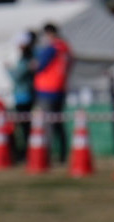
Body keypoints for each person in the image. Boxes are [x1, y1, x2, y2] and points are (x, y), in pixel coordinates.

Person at [33, 22, 72, 163]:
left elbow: (39, 65)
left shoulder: (51, 48)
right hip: (61, 89)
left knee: (47, 125)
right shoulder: (66, 48)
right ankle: (63, 155)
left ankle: (46, 156)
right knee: (58, 124)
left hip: (47, 89)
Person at [10, 30, 38, 160]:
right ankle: (25, 152)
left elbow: (17, 76)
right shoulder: (29, 57)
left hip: (24, 96)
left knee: (25, 126)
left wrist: (8, 69)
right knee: (24, 126)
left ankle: (27, 153)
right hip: (23, 95)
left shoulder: (27, 58)